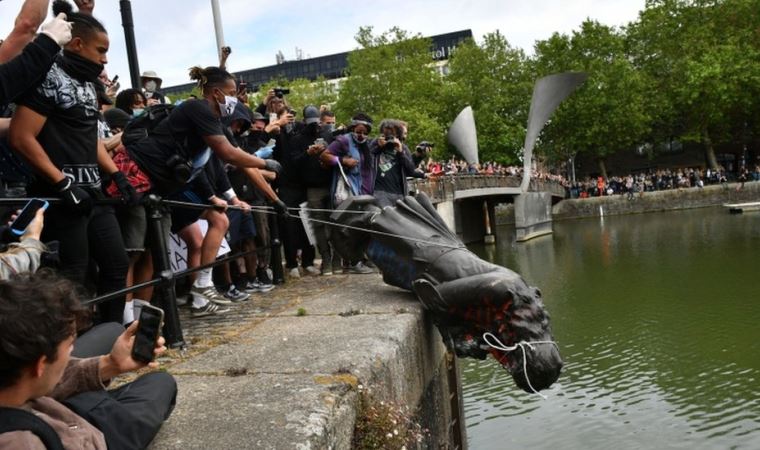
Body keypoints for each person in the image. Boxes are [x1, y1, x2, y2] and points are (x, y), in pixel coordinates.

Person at [9, 0, 136, 324]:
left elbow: (87, 136)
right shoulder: (47, 75)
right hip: (61, 197)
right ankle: (67, 358)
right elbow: (22, 136)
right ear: (77, 44)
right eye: (100, 51)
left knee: (116, 265)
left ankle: (109, 340)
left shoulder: (88, 83)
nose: (105, 59)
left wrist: (117, 175)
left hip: (93, 194)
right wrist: (61, 181)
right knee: (72, 277)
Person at [0, 270, 176, 450]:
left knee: (112, 329)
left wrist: (110, 364)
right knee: (161, 382)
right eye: (70, 345)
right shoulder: (22, 442)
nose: (73, 350)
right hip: (92, 433)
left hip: (55, 406)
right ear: (41, 364)